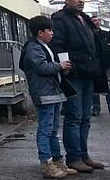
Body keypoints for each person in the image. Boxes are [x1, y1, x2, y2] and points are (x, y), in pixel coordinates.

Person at [49, 0, 106, 173]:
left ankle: (83, 155)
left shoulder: (85, 19)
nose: (81, 1)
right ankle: (74, 157)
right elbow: (58, 46)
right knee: (74, 116)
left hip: (89, 74)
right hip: (74, 75)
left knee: (85, 117)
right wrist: (67, 68)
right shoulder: (59, 19)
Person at [20, 15, 76, 179]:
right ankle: (46, 163)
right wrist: (60, 65)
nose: (52, 33)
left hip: (53, 93)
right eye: (49, 30)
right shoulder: (33, 47)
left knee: (53, 130)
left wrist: (63, 68)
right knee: (46, 130)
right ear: (40, 32)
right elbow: (42, 67)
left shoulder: (43, 46)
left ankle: (57, 161)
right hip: (45, 94)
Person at [90, 16, 110, 117]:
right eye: (95, 21)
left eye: (98, 20)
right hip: (94, 64)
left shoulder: (106, 34)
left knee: (109, 86)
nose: (97, 22)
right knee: (95, 87)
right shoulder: (89, 35)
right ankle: (96, 107)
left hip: (105, 64)